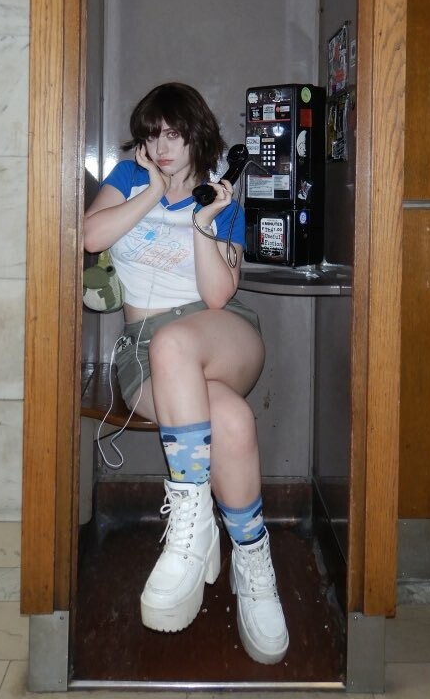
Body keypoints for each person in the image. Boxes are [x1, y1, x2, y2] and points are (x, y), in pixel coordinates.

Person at [83, 82, 289, 665]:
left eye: (173, 134)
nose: (161, 147)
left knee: (178, 341)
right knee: (232, 421)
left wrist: (203, 221)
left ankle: (191, 530)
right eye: (152, 135)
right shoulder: (129, 178)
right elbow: (90, 236)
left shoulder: (220, 197)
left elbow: (220, 296)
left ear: (197, 135)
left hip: (219, 332)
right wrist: (152, 190)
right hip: (143, 349)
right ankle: (252, 558)